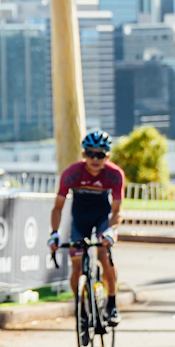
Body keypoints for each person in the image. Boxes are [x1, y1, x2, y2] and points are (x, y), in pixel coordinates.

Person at [47, 130, 124, 326]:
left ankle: (112, 303)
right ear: (83, 155)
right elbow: (57, 208)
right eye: (90, 154)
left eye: (100, 155)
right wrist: (54, 233)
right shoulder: (72, 173)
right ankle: (80, 306)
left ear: (107, 156)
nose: (95, 159)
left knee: (104, 256)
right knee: (76, 264)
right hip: (80, 219)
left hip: (102, 219)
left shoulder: (114, 175)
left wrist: (111, 230)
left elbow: (117, 211)